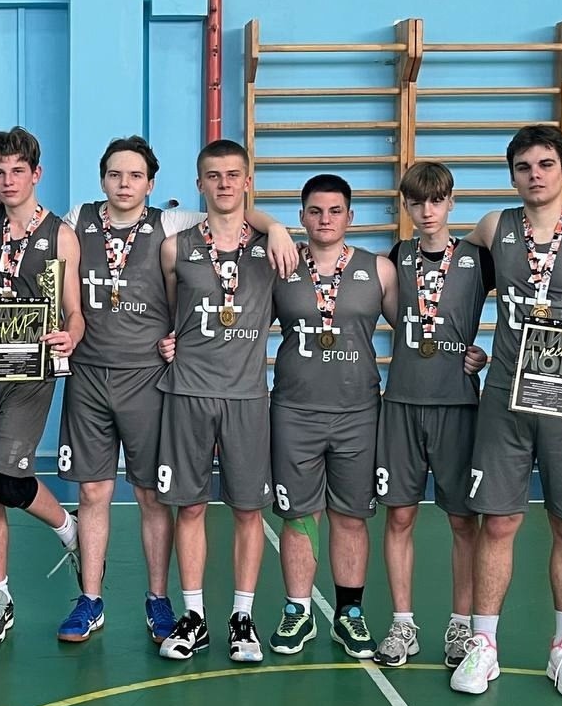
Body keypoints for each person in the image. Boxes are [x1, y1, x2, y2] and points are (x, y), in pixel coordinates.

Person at [57, 135, 297, 646]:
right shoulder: (78, 218)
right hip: (89, 375)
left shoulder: (171, 225)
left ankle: (159, 599)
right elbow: (26, 220)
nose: (125, 184)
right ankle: (90, 599)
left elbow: (230, 214)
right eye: (115, 175)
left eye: (135, 176)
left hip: (149, 379)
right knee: (93, 492)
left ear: (152, 183)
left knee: (152, 495)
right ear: (102, 180)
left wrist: (276, 226)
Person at [451, 125, 562, 699]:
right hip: (506, 396)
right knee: (498, 522)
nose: (536, 175)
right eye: (525, 167)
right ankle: (484, 644)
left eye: (546, 164)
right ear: (512, 176)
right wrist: (466, 344)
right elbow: (445, 266)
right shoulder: (493, 227)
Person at [153, 139, 281, 661]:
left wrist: (278, 226)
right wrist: (170, 339)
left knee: (248, 511)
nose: (224, 184)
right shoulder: (175, 248)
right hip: (187, 391)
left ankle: (242, 617)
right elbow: (169, 312)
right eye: (213, 175)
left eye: (233, 175)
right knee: (190, 507)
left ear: (247, 182)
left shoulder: (273, 249)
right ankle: (195, 616)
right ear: (199, 184)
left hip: (246, 396)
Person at [0, 126, 85, 645]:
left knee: (7, 482)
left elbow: (74, 311)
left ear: (37, 174)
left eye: (18, 171)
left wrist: (71, 335)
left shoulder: (60, 235)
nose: (8, 180)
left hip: (29, 373)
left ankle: (70, 529)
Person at [267, 174, 396, 659]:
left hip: (358, 413)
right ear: (301, 216)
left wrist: (463, 353)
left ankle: (349, 614)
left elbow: (416, 330)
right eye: (316, 211)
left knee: (350, 516)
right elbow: (238, 323)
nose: (325, 219)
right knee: (299, 515)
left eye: (335, 211)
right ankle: (298, 611)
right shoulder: (281, 266)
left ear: (350, 217)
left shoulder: (378, 269)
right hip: (294, 411)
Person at [372, 161, 493, 668]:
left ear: (451, 203)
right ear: (405, 205)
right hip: (401, 403)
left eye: (436, 200)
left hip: (458, 404)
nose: (427, 211)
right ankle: (403, 625)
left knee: (463, 521)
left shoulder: (480, 259)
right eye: (417, 202)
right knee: (399, 516)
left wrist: (487, 353)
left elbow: (530, 299)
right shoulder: (392, 259)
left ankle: (461, 626)